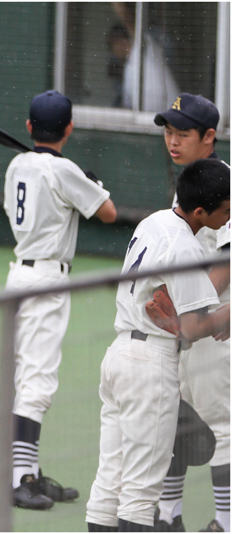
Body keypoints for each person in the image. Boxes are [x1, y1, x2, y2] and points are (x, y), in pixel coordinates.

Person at [85, 158, 230, 532]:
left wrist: (181, 321)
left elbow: (181, 318)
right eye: (227, 210)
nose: (230, 217)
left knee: (109, 482)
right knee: (140, 493)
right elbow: (196, 327)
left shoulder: (153, 221)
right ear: (201, 211)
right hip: (151, 364)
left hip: (119, 356)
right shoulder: (187, 248)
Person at [3, 91, 117, 510]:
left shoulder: (18, 163)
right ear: (69, 128)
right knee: (37, 381)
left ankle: (27, 472)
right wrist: (93, 186)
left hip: (19, 273)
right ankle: (18, 479)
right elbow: (107, 212)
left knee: (24, 378)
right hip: (46, 279)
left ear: (30, 127)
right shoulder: (63, 169)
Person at [151, 94, 230, 532]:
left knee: (219, 422)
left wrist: (186, 311)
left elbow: (223, 267)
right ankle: (169, 514)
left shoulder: (225, 184)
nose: (173, 141)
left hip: (214, 330)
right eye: (168, 132)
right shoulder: (186, 184)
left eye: (182, 133)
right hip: (182, 327)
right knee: (176, 419)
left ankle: (225, 519)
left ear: (209, 137)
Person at [111, 2, 180, 112]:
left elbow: (127, 19)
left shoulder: (144, 48)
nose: (113, 51)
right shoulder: (128, 66)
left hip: (173, 121)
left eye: (112, 45)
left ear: (121, 40)